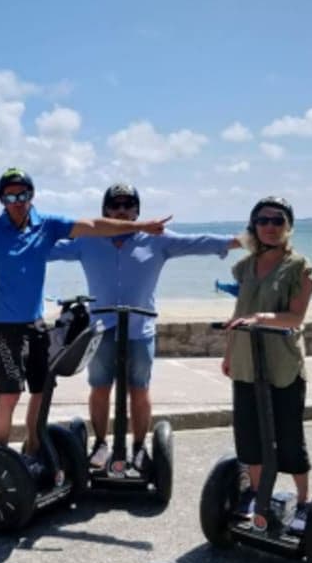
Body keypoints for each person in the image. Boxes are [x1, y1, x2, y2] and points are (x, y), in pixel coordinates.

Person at [0, 168, 170, 454]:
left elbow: (93, 225)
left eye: (23, 194)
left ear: (31, 195)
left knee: (41, 392)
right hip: (6, 326)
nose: (18, 200)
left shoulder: (47, 225)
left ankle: (32, 451)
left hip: (36, 324)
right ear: (2, 199)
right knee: (9, 394)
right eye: (11, 195)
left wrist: (139, 226)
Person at [49, 183, 241, 471]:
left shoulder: (156, 239)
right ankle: (101, 444)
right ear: (105, 211)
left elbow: (197, 242)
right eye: (115, 205)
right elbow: (45, 251)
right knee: (100, 387)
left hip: (139, 328)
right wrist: (2, 248)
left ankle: (138, 447)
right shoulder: (88, 240)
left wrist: (240, 241)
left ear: (138, 211)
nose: (122, 210)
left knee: (139, 389)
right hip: (101, 328)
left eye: (128, 205)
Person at [220, 197, 312, 533]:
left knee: (289, 437)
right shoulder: (246, 266)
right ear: (254, 226)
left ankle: (304, 502)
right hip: (247, 362)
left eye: (278, 221)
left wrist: (262, 318)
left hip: (282, 364)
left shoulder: (299, 266)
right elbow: (237, 314)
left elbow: (296, 316)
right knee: (249, 436)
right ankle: (258, 495)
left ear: (288, 226)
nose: (270, 227)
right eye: (263, 221)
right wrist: (229, 353)